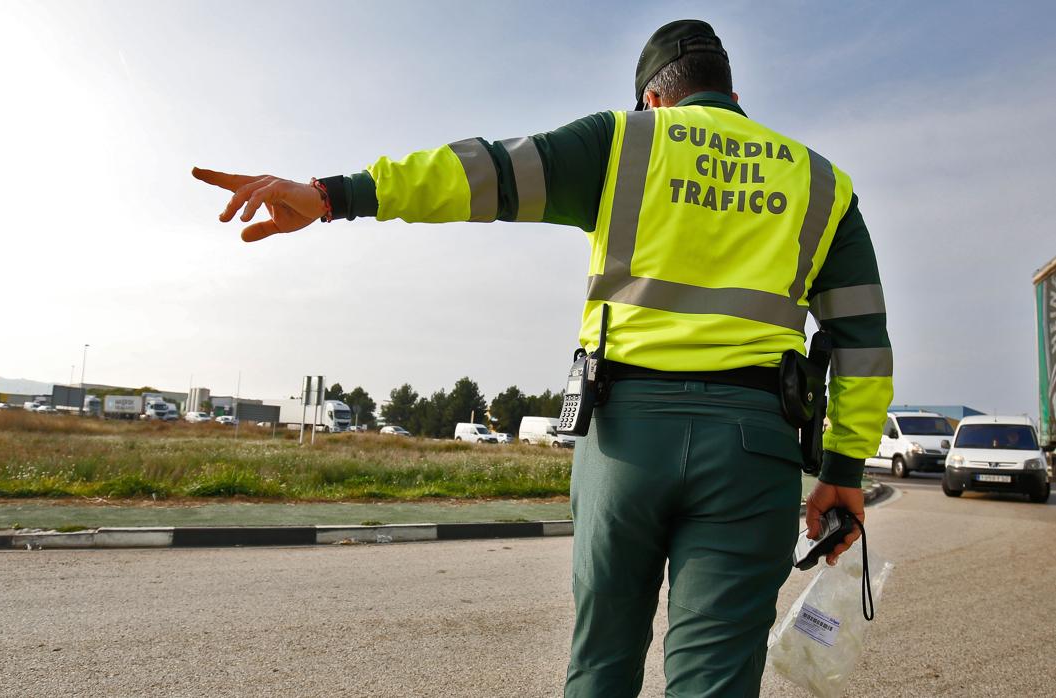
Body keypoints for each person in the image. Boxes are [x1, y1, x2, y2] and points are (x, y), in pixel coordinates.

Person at [192, 18, 892, 697]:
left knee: (602, 658)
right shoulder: (822, 183)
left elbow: (481, 173)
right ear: (734, 98)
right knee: (714, 677)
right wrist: (843, 469)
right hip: (753, 447)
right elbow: (862, 342)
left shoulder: (624, 142)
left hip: (626, 438)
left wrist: (332, 196)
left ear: (652, 98)